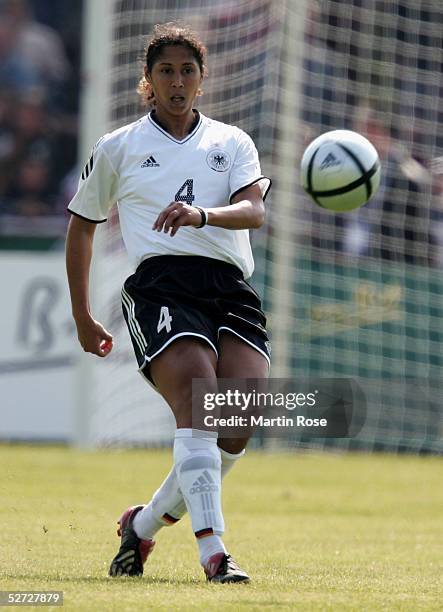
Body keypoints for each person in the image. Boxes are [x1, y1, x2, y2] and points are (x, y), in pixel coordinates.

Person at [65, 22, 271, 584]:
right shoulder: (119, 147)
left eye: (187, 71)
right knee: (200, 404)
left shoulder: (232, 143)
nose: (177, 82)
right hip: (161, 286)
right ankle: (215, 552)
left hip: (230, 288)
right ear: (147, 82)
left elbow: (254, 213)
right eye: (165, 71)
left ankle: (143, 525)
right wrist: (83, 314)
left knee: (238, 422)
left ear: (203, 81)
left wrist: (201, 214)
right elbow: (82, 226)